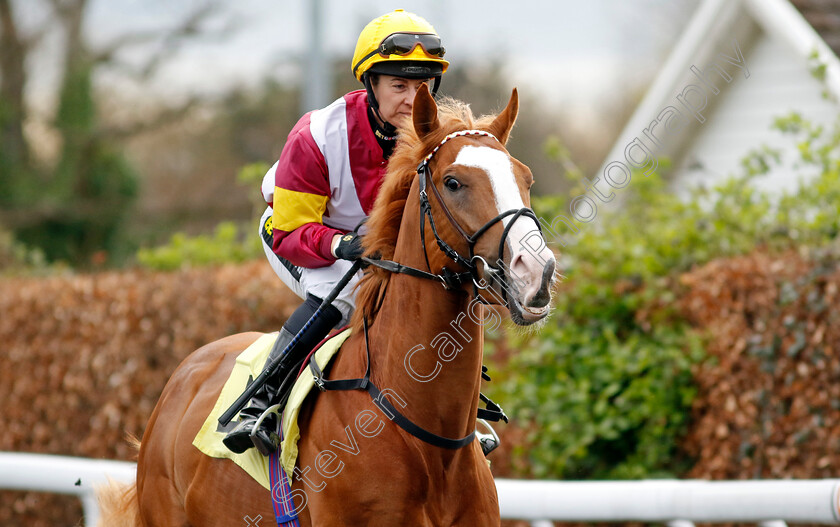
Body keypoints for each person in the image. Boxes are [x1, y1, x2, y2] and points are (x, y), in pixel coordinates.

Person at [224, 9, 497, 457]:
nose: (413, 99)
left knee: (430, 295)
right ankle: (261, 402)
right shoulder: (316, 135)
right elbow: (292, 232)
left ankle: (459, 412)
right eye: (399, 85)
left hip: (375, 243)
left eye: (423, 86)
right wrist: (341, 246)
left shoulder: (437, 140)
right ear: (370, 84)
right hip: (300, 234)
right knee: (345, 294)